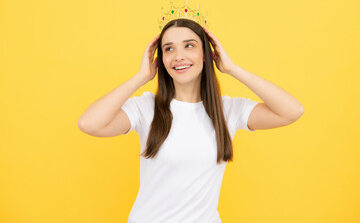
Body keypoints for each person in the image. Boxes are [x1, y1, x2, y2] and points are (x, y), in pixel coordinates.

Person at [78, 18, 304, 223]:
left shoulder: (228, 110)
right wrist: (141, 77)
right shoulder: (146, 107)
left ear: (206, 54)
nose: (178, 56)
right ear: (162, 60)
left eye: (189, 45)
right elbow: (89, 124)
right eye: (169, 49)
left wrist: (232, 69)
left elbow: (292, 111)